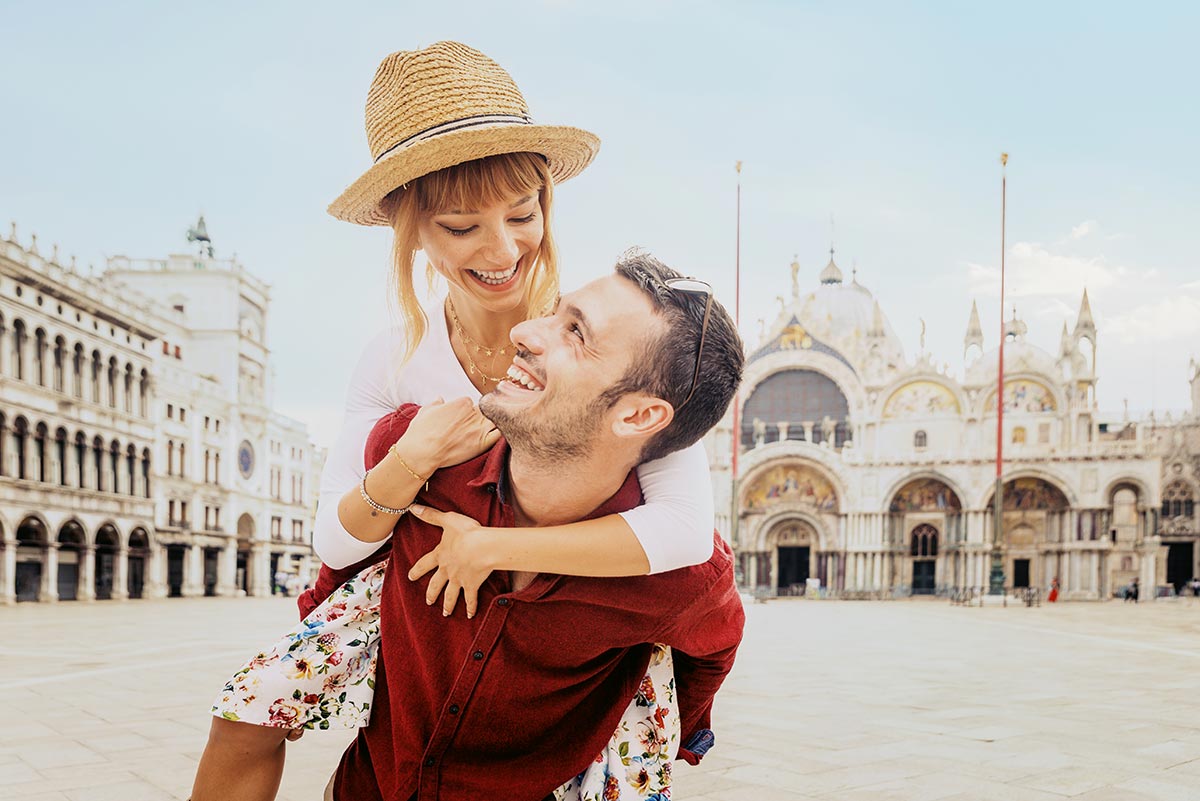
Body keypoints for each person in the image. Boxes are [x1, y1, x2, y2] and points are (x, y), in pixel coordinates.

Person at [191, 43, 716, 801]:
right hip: (427, 605)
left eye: (521, 213)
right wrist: (408, 457)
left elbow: (686, 531)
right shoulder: (394, 358)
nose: (503, 250)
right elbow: (335, 538)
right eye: (462, 225)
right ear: (411, 229)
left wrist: (491, 545)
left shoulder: (604, 340)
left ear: (547, 202)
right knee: (245, 712)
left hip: (578, 617)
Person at [316, 252, 744, 800]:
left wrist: (659, 726)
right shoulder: (423, 451)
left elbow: (711, 641)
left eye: (576, 334)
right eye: (555, 314)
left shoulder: (681, 574)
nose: (523, 331)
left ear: (638, 417)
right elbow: (346, 564)